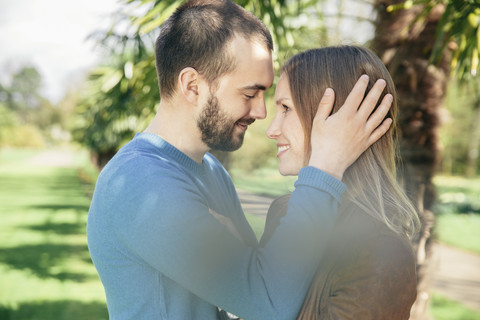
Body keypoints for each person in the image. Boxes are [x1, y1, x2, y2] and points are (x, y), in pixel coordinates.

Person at [87, 1, 393, 319]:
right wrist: (326, 165)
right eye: (249, 94)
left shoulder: (210, 171)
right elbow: (267, 301)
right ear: (192, 86)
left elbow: (257, 286)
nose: (261, 112)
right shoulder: (139, 183)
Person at [262, 45, 421, 319]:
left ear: (340, 117)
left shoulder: (383, 252)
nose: (271, 130)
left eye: (286, 108)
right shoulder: (283, 212)